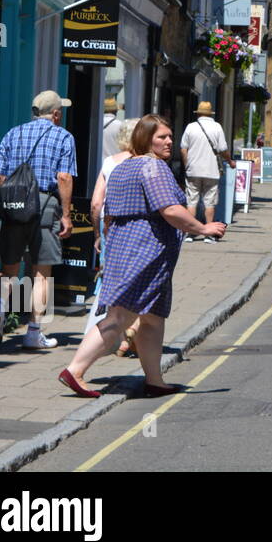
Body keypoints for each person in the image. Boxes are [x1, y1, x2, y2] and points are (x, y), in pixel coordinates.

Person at [58, 116, 226, 398]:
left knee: (152, 318)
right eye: (161, 137)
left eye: (171, 137)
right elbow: (170, 210)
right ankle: (74, 370)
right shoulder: (152, 167)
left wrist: (107, 241)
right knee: (122, 315)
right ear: (145, 139)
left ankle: (154, 379)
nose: (169, 142)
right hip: (144, 252)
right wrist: (203, 227)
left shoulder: (124, 166)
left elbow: (107, 211)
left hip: (132, 249)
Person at [0, 90, 76, 350]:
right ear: (56, 114)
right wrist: (68, 215)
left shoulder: (12, 134)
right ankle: (33, 333)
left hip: (14, 202)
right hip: (45, 203)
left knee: (9, 268)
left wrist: (11, 202)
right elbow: (64, 178)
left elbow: (0, 176)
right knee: (41, 272)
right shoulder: (63, 136)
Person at [90, 120, 140, 357]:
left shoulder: (110, 162)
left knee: (112, 278)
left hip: (109, 224)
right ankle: (132, 330)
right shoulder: (147, 163)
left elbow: (96, 203)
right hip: (136, 226)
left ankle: (118, 334)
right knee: (137, 279)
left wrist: (97, 234)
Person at [179, 101, 233, 244]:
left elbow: (183, 148)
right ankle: (209, 235)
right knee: (210, 202)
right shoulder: (217, 127)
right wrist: (231, 161)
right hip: (211, 171)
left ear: (198, 113)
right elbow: (222, 149)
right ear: (210, 113)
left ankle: (190, 233)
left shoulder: (191, 127)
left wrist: (187, 164)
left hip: (193, 171)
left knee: (192, 202)